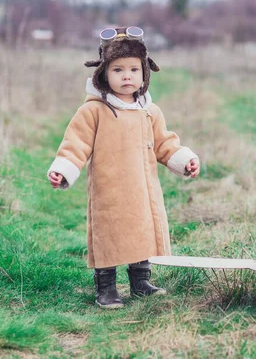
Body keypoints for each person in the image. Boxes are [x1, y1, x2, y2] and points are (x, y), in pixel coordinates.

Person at [46, 26, 200, 309]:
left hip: (143, 187)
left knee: (141, 230)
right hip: (110, 188)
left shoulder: (149, 110)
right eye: (118, 70)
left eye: (133, 70)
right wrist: (64, 168)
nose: (127, 76)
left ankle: (140, 283)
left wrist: (183, 160)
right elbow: (76, 143)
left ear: (144, 74)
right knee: (109, 234)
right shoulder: (94, 110)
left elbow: (164, 142)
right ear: (103, 74)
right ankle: (105, 287)